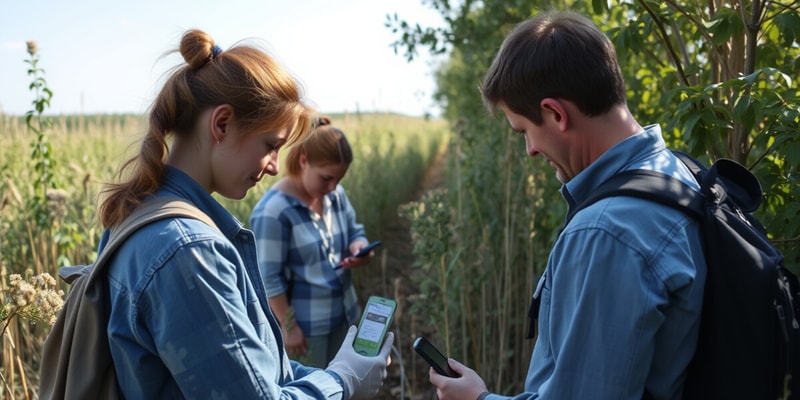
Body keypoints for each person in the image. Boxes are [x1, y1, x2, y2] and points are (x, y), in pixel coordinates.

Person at [98, 29, 392, 399]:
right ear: (221, 124)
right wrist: (344, 380)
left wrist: (333, 372)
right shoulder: (187, 251)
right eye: (270, 146)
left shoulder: (140, 214)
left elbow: (253, 373)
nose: (273, 167)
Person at [429, 11, 707, 400]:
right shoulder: (676, 173)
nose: (529, 151)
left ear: (556, 113)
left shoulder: (607, 233)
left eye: (525, 131)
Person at [249, 116, 374, 368]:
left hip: (346, 316)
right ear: (303, 160)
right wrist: (289, 327)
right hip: (306, 332)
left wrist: (359, 248)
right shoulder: (274, 212)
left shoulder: (335, 195)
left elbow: (355, 232)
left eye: (338, 180)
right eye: (326, 178)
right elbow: (268, 278)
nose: (333, 187)